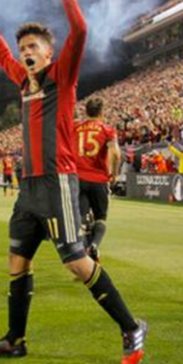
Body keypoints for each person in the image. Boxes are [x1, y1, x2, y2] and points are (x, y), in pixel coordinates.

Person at [0, 0, 146, 364]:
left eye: (34, 48)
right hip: (29, 188)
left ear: (49, 53)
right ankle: (16, 339)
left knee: (75, 262)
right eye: (24, 49)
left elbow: (81, 31)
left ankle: (132, 325)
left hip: (58, 183)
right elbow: (1, 56)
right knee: (17, 262)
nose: (26, 53)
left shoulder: (62, 77)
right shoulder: (22, 82)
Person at [75, 97, 121, 263]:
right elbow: (116, 154)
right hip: (98, 179)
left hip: (78, 178)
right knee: (100, 218)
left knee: (81, 220)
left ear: (86, 112)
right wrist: (114, 174)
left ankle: (83, 258)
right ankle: (94, 245)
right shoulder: (107, 130)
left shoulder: (76, 128)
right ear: (102, 112)